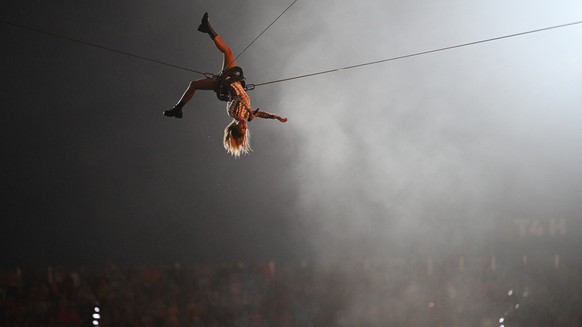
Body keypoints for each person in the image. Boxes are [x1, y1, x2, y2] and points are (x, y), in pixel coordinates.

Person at [164, 13, 287, 157]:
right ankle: (178, 110)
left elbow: (238, 98)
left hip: (227, 81)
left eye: (241, 128)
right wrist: (276, 117)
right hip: (228, 81)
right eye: (245, 128)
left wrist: (249, 111)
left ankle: (207, 29)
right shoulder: (247, 115)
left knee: (227, 51)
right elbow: (260, 114)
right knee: (194, 84)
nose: (244, 125)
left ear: (234, 126)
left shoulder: (234, 113)